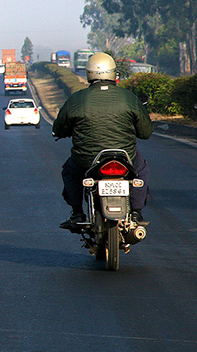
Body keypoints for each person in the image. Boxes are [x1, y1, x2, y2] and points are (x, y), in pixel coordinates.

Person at [53, 52, 152, 229]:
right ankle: (136, 212)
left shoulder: (77, 99)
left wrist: (63, 132)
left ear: (89, 73)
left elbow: (59, 128)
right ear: (114, 73)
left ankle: (77, 213)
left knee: (70, 171)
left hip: (86, 160)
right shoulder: (129, 98)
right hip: (125, 158)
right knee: (141, 168)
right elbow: (145, 132)